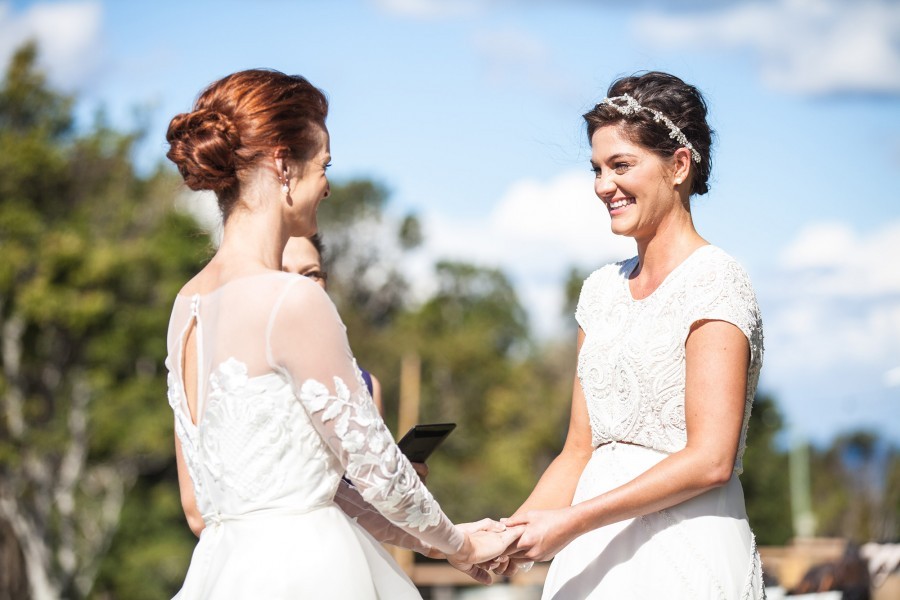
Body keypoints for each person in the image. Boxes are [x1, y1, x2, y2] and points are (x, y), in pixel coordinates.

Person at [163, 68, 519, 599]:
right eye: (323, 165)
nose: (327, 184)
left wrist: (443, 541)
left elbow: (329, 490)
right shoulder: (293, 298)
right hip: (307, 570)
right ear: (284, 165)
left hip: (225, 571)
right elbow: (377, 471)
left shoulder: (185, 307)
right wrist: (461, 549)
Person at [498, 72, 765, 599]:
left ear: (679, 165)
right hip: (593, 560)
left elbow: (711, 459)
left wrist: (573, 522)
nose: (603, 186)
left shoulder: (717, 280)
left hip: (686, 555)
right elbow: (578, 451)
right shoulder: (600, 290)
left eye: (621, 166)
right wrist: (508, 537)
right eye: (597, 169)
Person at [282, 234, 382, 412]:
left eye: (311, 274)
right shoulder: (235, 376)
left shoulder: (366, 385)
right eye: (282, 273)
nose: (298, 284)